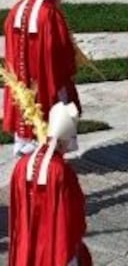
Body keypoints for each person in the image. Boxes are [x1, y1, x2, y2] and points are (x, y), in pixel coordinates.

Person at [3, 0, 78, 156]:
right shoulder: (51, 13)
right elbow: (61, 49)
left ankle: (25, 146)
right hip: (45, 77)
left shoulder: (17, 8)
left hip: (20, 73)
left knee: (25, 104)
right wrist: (70, 66)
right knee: (53, 107)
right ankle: (49, 153)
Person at [8, 102, 92, 266]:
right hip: (54, 235)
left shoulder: (21, 164)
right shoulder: (61, 170)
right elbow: (73, 208)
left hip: (27, 230)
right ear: (62, 141)